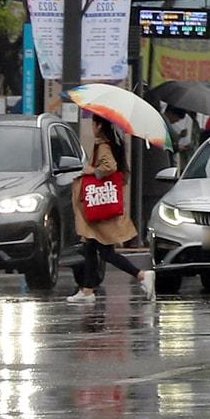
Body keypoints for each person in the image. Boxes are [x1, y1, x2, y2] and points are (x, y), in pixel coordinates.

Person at [68, 117, 155, 303]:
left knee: (105, 252)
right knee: (90, 247)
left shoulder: (103, 146)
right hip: (101, 204)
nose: (92, 128)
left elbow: (110, 167)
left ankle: (141, 275)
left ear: (99, 126)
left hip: (99, 206)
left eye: (93, 124)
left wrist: (91, 170)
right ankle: (87, 290)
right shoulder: (111, 144)